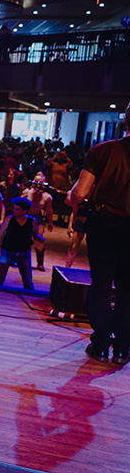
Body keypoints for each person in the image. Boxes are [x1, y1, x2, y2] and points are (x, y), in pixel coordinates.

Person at [66, 104, 130, 365]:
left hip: (105, 224)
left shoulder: (103, 151)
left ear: (126, 120)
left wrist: (71, 197)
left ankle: (101, 344)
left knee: (102, 284)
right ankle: (124, 347)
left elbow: (79, 194)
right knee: (128, 288)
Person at [0, 197, 43, 290]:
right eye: (14, 209)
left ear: (25, 211)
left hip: (23, 253)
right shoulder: (9, 219)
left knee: (28, 282)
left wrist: (40, 238)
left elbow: (35, 235)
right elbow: (0, 233)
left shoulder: (32, 221)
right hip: (7, 251)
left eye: (17, 209)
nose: (14, 211)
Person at [23, 173, 54, 271]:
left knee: (39, 239)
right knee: (21, 237)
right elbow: (20, 204)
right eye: (36, 181)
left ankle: (40, 263)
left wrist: (50, 222)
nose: (38, 184)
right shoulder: (27, 192)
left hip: (37, 217)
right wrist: (30, 195)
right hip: (26, 215)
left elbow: (49, 210)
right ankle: (16, 258)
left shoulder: (46, 197)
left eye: (40, 182)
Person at [65, 201, 89, 268]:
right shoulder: (80, 201)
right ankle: (68, 266)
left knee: (92, 248)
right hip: (80, 223)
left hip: (90, 224)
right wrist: (70, 226)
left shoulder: (95, 200)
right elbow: (73, 213)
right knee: (74, 246)